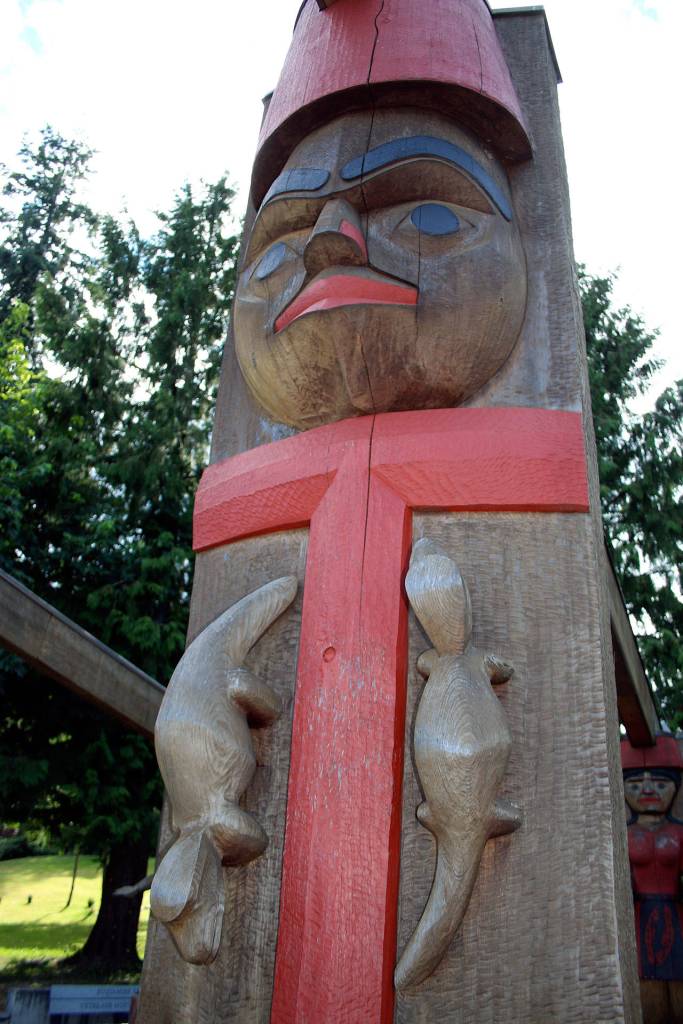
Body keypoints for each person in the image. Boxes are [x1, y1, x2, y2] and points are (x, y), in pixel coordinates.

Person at [622, 734, 683, 1023]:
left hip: (676, 911)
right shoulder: (622, 833)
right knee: (643, 983)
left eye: (660, 784)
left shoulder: (678, 831)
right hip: (636, 914)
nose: (648, 790)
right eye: (635, 784)